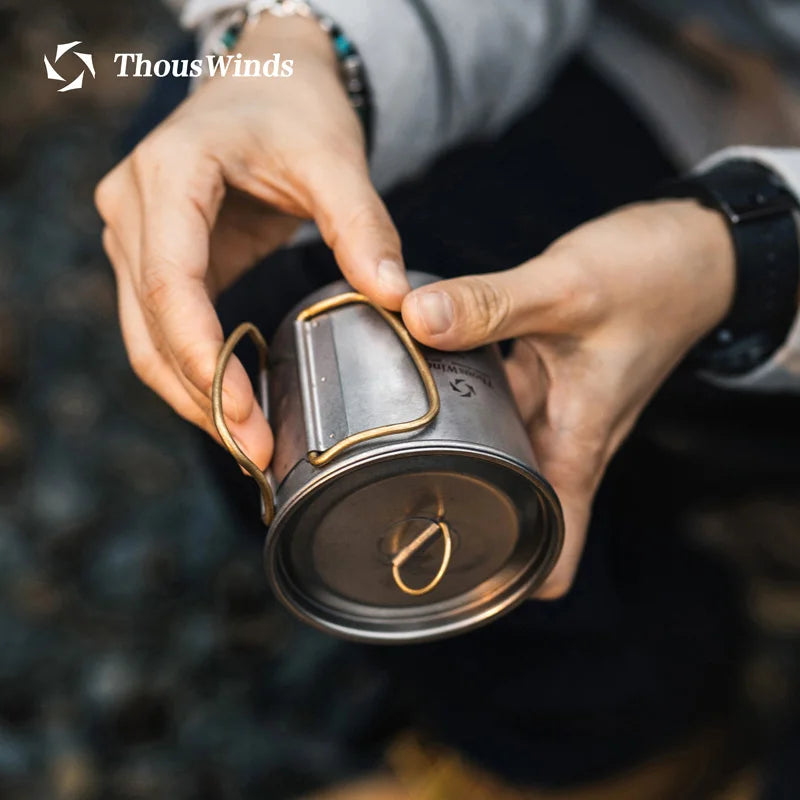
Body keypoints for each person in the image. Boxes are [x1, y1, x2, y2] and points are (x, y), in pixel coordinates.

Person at [95, 1, 800, 797]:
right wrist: (311, 41)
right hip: (683, 71)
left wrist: (748, 254)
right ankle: (606, 742)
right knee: (230, 195)